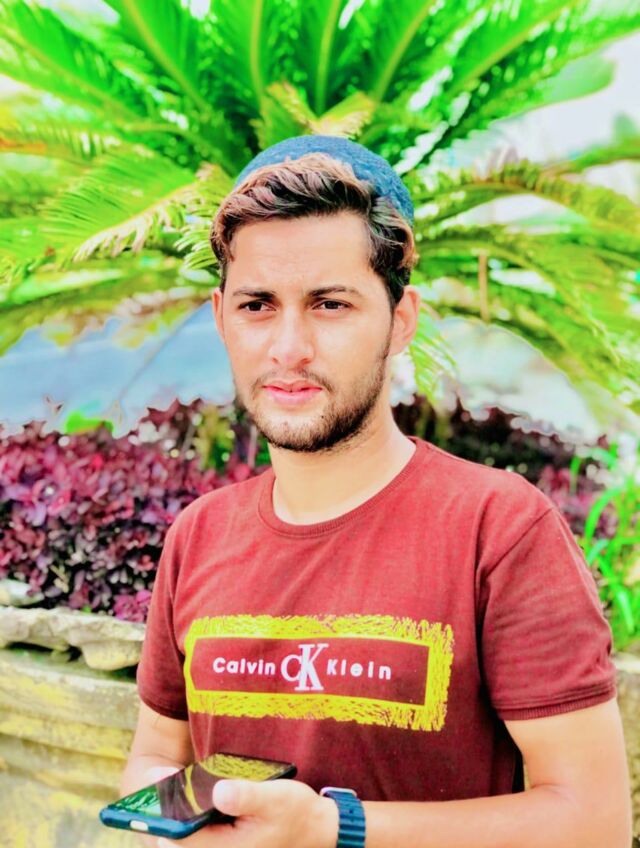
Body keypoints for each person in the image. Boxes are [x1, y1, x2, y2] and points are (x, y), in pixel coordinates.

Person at [121, 135, 632, 848]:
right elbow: (155, 753)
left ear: (401, 320)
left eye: (330, 304)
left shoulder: (499, 529)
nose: (289, 347)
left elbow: (594, 822)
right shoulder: (199, 536)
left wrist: (333, 828)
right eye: (257, 305)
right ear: (220, 318)